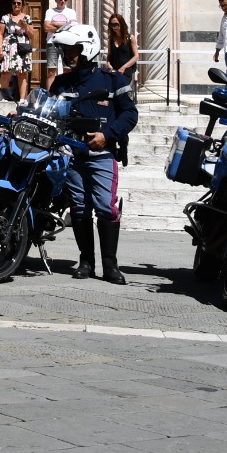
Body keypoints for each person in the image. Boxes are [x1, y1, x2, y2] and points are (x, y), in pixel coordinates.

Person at [49, 22, 137, 284]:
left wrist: (107, 135)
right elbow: (49, 111)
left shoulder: (113, 80)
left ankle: (110, 265)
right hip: (71, 156)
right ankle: (86, 261)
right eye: (65, 50)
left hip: (102, 155)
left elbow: (130, 114)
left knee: (106, 208)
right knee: (78, 208)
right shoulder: (61, 83)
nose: (67, 55)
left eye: (72, 49)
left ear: (87, 49)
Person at [0, 0, 37, 102]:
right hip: (9, 48)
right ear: (11, 4)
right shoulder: (5, 18)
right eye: (14, 3)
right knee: (5, 72)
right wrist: (0, 49)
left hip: (23, 48)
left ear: (22, 5)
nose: (16, 5)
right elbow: (0, 34)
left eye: (19, 3)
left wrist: (26, 27)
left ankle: (22, 99)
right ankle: (4, 96)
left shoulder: (27, 18)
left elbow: (32, 35)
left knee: (23, 73)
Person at [42, 0, 76, 84]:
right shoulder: (50, 11)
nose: (63, 1)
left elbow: (73, 27)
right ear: (56, 0)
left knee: (67, 70)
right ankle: (50, 96)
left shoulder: (71, 12)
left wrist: (55, 23)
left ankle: (66, 94)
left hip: (67, 44)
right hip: (52, 43)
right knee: (51, 72)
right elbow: (46, 28)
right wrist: (65, 26)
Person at [106, 14, 138, 83]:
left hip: (125, 71)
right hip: (113, 71)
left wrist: (124, 67)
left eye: (116, 24)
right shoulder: (111, 39)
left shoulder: (130, 38)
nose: (114, 27)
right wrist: (108, 64)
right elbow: (109, 55)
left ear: (121, 24)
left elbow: (136, 56)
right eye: (111, 25)